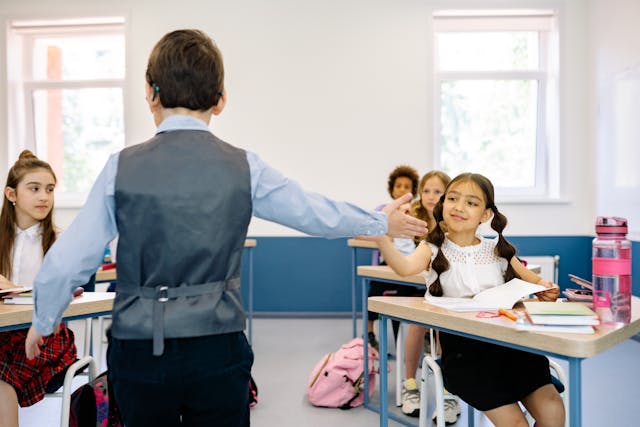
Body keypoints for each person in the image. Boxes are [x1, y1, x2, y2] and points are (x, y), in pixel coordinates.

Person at [24, 29, 427, 427]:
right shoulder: (244, 166)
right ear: (220, 100)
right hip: (218, 346)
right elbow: (313, 213)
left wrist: (43, 322)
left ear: (150, 92)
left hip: (139, 348)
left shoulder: (120, 166)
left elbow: (69, 260)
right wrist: (380, 220)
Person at [369, 173, 565, 427]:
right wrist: (382, 237)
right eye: (452, 198)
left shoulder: (498, 249)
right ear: (443, 204)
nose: (459, 207)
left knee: (553, 413)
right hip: (466, 357)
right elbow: (405, 268)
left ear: (485, 214)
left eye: (472, 203)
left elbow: (536, 283)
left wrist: (546, 289)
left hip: (514, 347)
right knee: (516, 424)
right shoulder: (433, 247)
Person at [0, 151, 77, 427]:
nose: (44, 196)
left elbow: (64, 293)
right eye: (34, 189)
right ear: (12, 195)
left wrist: (15, 289)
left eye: (50, 189)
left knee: (0, 372)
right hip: (4, 333)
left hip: (46, 337)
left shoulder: (59, 239)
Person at [400, 170, 455, 419]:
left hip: (447, 291)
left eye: (438, 191)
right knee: (416, 324)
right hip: (417, 288)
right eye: (426, 191)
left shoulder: (453, 221)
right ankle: (410, 384)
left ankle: (448, 390)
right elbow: (404, 258)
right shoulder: (413, 220)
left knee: (446, 328)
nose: (431, 196)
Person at [366, 165, 419, 350]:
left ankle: (401, 340)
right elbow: (361, 232)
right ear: (392, 188)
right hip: (386, 264)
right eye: (399, 185)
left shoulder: (416, 210)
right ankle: (370, 332)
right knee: (374, 287)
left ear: (413, 190)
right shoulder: (382, 210)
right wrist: (385, 235)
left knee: (406, 292)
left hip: (409, 263)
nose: (402, 189)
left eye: (407, 186)